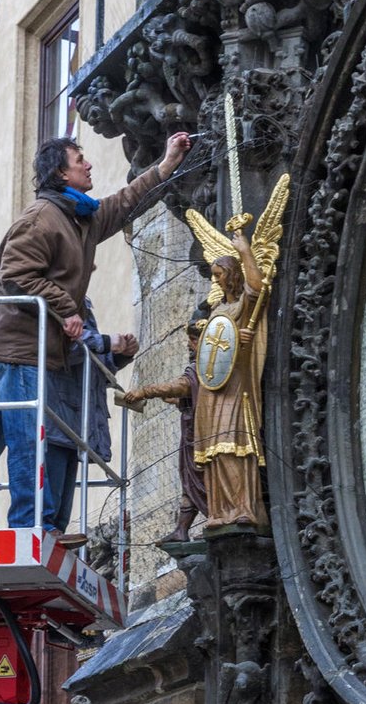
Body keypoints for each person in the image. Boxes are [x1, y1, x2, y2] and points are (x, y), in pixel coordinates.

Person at [0, 131, 191, 538]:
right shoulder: (42, 218)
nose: (89, 165)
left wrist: (165, 165)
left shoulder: (81, 217)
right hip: (20, 351)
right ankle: (31, 529)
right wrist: (66, 309)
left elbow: (125, 203)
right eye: (80, 160)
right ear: (61, 172)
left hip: (21, 350)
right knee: (28, 442)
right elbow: (14, 274)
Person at [123, 231, 268, 532]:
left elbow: (258, 288)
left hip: (234, 385)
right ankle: (220, 511)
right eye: (213, 275)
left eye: (219, 275)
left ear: (232, 275)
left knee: (233, 444)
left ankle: (242, 507)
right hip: (212, 390)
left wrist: (245, 251)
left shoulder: (242, 305)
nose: (215, 281)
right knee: (213, 451)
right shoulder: (217, 311)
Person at [118, 302, 211, 548]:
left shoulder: (205, 365)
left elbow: (181, 386)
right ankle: (182, 530)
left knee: (203, 478)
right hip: (192, 433)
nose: (189, 345)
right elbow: (185, 393)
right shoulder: (201, 367)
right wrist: (168, 398)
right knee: (189, 481)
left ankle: (213, 518)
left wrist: (145, 392)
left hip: (205, 435)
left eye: (192, 339)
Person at [45, 298, 138, 535]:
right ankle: (47, 529)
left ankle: (56, 532)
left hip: (75, 417)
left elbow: (92, 366)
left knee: (63, 497)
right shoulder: (58, 296)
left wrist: (119, 355)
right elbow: (61, 349)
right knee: (51, 490)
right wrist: (106, 343)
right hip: (56, 410)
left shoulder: (78, 299)